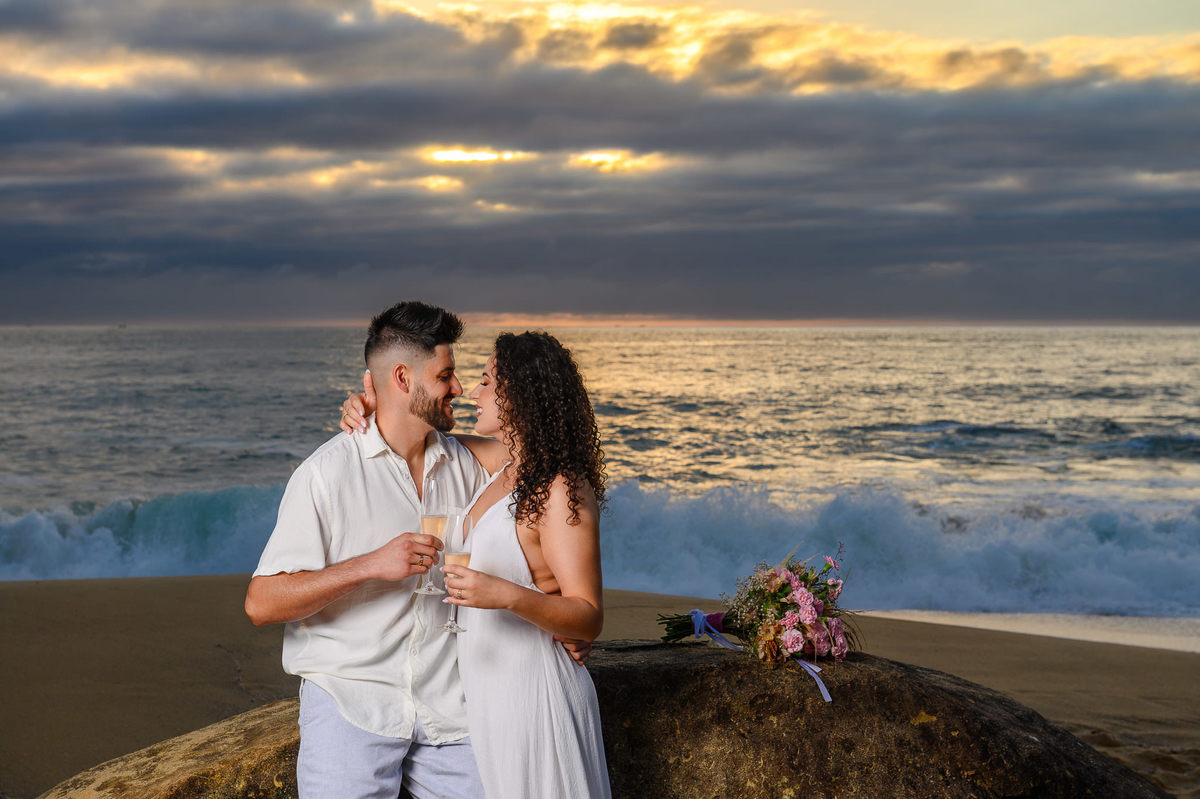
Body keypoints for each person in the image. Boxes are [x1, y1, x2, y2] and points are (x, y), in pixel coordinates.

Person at [341, 331, 612, 799]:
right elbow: (413, 438)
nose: (472, 391)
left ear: (520, 395)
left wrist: (503, 595)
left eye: (487, 381)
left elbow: (588, 615)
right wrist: (370, 411)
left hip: (533, 692)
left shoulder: (560, 487)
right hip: (488, 696)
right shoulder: (506, 469)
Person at [245, 301, 494, 799]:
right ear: (403, 379)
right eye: (446, 375)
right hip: (351, 698)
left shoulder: (467, 465)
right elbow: (262, 603)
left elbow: (544, 448)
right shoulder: (326, 473)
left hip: (451, 709)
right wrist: (369, 566)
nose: (460, 388)